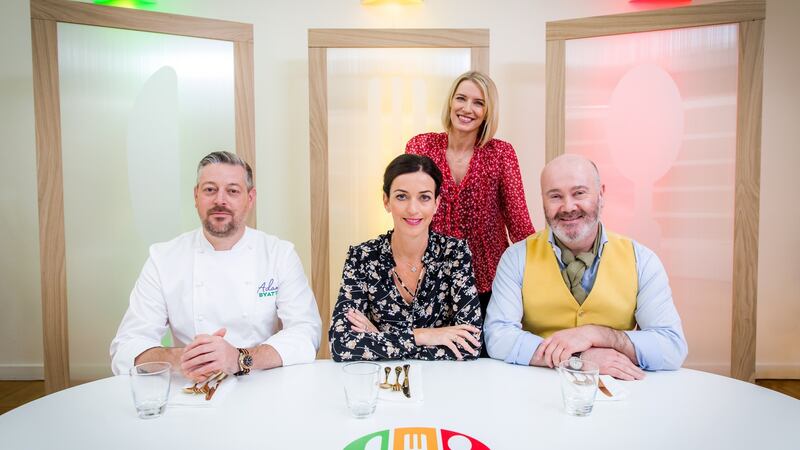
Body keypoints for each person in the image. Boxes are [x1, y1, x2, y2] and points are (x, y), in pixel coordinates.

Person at [110, 151, 321, 380]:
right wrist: (187, 358)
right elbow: (127, 345)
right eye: (210, 189)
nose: (220, 200)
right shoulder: (163, 258)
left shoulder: (279, 254)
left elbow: (306, 332)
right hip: (190, 388)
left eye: (232, 191)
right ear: (196, 196)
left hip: (261, 384)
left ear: (250, 198)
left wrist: (239, 358)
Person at [484, 154, 687, 379]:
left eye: (579, 193)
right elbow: (497, 336)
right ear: (543, 200)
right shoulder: (516, 258)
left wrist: (598, 335)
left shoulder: (643, 260)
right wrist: (577, 359)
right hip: (539, 388)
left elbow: (672, 347)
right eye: (555, 196)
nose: (568, 207)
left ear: (601, 194)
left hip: (622, 395)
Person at [405, 71, 535, 332]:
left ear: (488, 112)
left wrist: (547, 270)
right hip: (431, 276)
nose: (467, 109)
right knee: (432, 360)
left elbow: (518, 221)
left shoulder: (501, 153)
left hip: (489, 279)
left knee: (486, 360)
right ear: (450, 103)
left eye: (478, 102)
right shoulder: (421, 146)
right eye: (461, 98)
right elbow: (409, 213)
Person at [329, 154, 482, 361]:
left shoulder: (455, 254)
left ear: (436, 203)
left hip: (444, 383)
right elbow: (341, 345)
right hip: (381, 384)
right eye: (402, 196)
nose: (413, 209)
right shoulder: (362, 257)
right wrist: (422, 336)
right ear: (386, 201)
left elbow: (469, 345)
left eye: (424, 197)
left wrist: (379, 339)